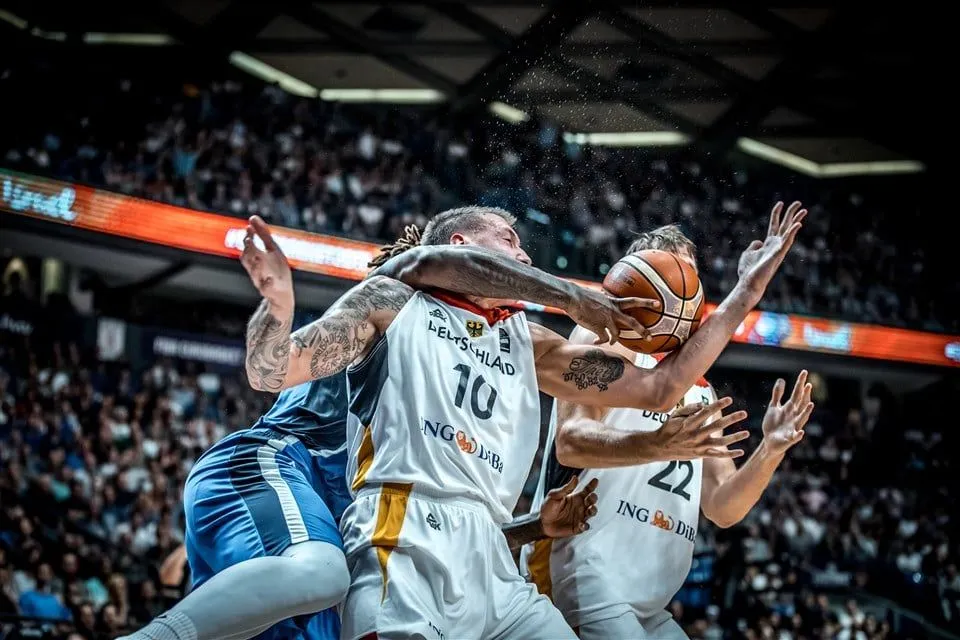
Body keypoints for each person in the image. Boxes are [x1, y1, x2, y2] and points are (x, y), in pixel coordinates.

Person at [238, 202, 805, 640]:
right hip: (403, 530)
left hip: (491, 550)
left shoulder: (528, 341)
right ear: (461, 242)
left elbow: (662, 386)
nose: (526, 257)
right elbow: (270, 371)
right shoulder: (394, 299)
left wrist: (745, 292)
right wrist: (278, 310)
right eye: (509, 241)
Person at [123, 220, 653, 640]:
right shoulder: (392, 319)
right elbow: (270, 370)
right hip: (271, 461)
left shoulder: (450, 385)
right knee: (321, 575)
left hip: (331, 524)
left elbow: (433, 526)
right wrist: (277, 311)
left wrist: (533, 527)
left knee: (323, 583)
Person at [524, 224, 815, 640]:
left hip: (650, 599)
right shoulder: (605, 340)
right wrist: (657, 444)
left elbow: (722, 506)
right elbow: (571, 442)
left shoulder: (701, 390)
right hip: (583, 570)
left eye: (690, 282)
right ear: (636, 280)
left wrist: (771, 448)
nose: (684, 298)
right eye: (670, 279)